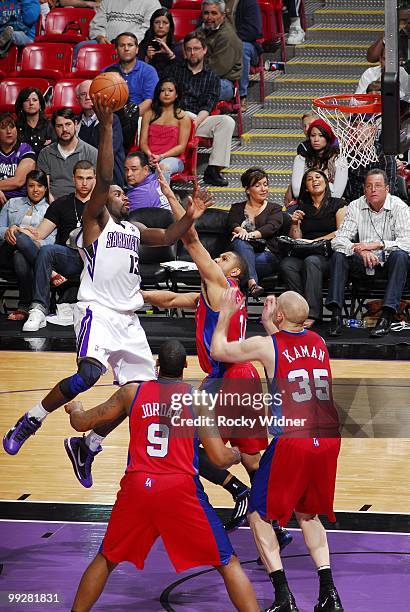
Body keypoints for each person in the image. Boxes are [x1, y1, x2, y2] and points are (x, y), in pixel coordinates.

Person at [3, 96, 213, 495]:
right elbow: (101, 178)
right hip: (98, 312)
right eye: (117, 192)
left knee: (138, 395)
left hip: (129, 321)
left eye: (122, 193)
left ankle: (88, 445)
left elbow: (170, 236)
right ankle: (31, 419)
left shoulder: (134, 230)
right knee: (89, 375)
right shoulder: (95, 224)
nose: (123, 195)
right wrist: (106, 127)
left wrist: (191, 216)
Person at [142, 170, 291, 545]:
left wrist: (178, 202)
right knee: (252, 457)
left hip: (226, 379)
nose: (217, 257)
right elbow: (173, 299)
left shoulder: (222, 285)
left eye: (223, 257)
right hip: (239, 377)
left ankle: (231, 492)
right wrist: (135, 295)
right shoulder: (218, 297)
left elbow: (190, 241)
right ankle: (272, 520)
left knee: (185, 441)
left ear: (235, 272)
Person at [65, 339, 259, 612]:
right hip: (180, 490)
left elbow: (80, 423)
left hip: (138, 487)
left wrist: (75, 408)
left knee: (106, 558)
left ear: (156, 365)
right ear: (185, 365)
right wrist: (240, 454)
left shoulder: (131, 393)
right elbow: (218, 458)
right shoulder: (196, 399)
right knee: (227, 562)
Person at [210, 289, 343, 612]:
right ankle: (329, 594)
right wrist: (275, 322)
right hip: (328, 438)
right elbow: (288, 347)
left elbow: (219, 350)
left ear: (280, 316)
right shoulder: (319, 343)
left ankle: (284, 597)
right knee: (308, 513)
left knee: (258, 513)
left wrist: (226, 312)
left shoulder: (266, 345)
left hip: (294, 439)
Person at [6, 161, 97, 331]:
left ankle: (45, 286)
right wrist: (17, 229)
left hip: (95, 258)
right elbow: (39, 234)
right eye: (80, 178)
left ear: (95, 179)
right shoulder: (61, 204)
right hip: (68, 257)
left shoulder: (102, 205)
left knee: (43, 252)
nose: (84, 183)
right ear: (73, 179)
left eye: (89, 178)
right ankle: (39, 309)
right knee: (41, 247)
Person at [326, 169, 410, 338]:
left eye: (378, 186)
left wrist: (377, 245)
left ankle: (386, 316)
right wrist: (359, 249)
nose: (373, 190)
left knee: (400, 255)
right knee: (339, 255)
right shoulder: (355, 205)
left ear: (387, 189)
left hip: (388, 266)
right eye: (369, 186)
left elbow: (407, 242)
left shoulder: (399, 207)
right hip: (362, 265)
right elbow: (338, 240)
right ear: (364, 189)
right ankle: (335, 315)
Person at [167, 31, 236, 187]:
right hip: (175, 118)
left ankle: (213, 170)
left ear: (204, 50)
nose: (192, 52)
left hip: (197, 120)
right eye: (189, 49)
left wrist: (195, 122)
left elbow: (209, 105)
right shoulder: (174, 70)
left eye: (196, 48)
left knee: (226, 121)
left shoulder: (211, 76)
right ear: (184, 51)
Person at [280, 169, 347, 327]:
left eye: (318, 177)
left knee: (312, 261)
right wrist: (295, 223)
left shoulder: (338, 203)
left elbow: (341, 232)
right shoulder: (301, 207)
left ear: (326, 182)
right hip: (305, 252)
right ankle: (297, 311)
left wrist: (315, 241)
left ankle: (313, 314)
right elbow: (296, 238)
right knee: (287, 265)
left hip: (328, 254)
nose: (314, 180)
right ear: (305, 187)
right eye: (309, 179)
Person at [0, 170, 55, 321]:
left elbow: (50, 241)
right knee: (17, 235)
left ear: (45, 188)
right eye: (31, 185)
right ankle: (50, 274)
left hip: (29, 258)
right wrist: (11, 231)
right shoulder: (13, 203)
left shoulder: (51, 210)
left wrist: (29, 239)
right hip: (5, 255)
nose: (35, 190)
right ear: (26, 187)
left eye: (40, 186)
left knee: (20, 256)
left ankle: (24, 306)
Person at [227, 167, 283, 298]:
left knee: (234, 267)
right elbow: (232, 224)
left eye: (265, 184)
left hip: (267, 255)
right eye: (258, 185)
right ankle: (252, 283)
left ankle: (234, 308)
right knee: (240, 242)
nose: (264, 189)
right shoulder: (237, 208)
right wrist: (240, 230)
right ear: (247, 189)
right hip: (242, 253)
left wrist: (249, 235)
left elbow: (272, 227)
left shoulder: (274, 208)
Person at [37, 109, 98, 202]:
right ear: (54, 128)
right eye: (59, 126)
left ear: (76, 124)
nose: (64, 129)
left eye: (68, 124)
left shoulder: (91, 152)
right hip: (51, 205)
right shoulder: (45, 153)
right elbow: (45, 187)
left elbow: (95, 185)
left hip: (82, 204)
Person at [139, 77, 191, 183]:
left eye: (170, 90)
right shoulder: (148, 114)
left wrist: (161, 156)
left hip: (173, 159)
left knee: (163, 167)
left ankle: (163, 198)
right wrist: (150, 155)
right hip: (149, 156)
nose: (166, 93)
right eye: (162, 90)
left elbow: (181, 147)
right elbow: (143, 142)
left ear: (176, 95)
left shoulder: (183, 117)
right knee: (133, 165)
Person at [76, 79, 125, 187]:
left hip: (109, 176)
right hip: (82, 175)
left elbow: (111, 149)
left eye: (91, 94)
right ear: (77, 99)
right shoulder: (74, 122)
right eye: (83, 94)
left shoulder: (112, 119)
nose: (88, 97)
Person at [291, 118, 348, 200]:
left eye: (321, 135)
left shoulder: (339, 159)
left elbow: (337, 194)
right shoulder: (301, 158)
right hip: (306, 203)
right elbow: (297, 192)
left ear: (327, 137)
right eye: (313, 135)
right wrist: (329, 186)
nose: (316, 139)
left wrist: (309, 186)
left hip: (332, 205)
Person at [103, 32, 159, 114]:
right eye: (122, 45)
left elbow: (150, 100)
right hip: (113, 117)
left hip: (140, 117)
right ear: (116, 50)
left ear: (137, 49)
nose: (126, 49)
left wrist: (131, 116)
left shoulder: (149, 71)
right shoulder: (106, 72)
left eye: (130, 45)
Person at [200, 0, 243, 102]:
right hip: (202, 76)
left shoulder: (227, 36)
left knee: (196, 91)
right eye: (206, 13)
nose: (209, 17)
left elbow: (217, 69)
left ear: (223, 15)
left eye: (214, 13)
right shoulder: (202, 30)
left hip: (224, 82)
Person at [225, 0, 263, 111]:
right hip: (222, 45)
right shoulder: (214, 3)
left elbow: (253, 31)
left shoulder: (248, 2)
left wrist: (230, 41)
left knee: (242, 48)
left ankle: (242, 96)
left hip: (248, 45)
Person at [88, 0, 161, 48]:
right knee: (82, 46)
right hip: (106, 44)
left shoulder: (152, 3)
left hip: (135, 45)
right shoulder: (107, 1)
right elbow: (97, 24)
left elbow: (148, 30)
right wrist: (100, 37)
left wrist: (127, 42)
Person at [0, 113, 36, 205]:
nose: (9, 131)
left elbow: (18, 181)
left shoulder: (25, 149)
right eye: (3, 128)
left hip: (19, 203)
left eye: (12, 127)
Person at [138, 8, 179, 79]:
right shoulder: (144, 45)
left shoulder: (177, 47)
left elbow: (180, 73)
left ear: (170, 26)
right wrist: (147, 59)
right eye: (157, 22)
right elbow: (137, 72)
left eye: (165, 23)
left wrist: (170, 54)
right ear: (152, 25)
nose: (160, 26)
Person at [15, 88, 55, 158]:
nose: (31, 103)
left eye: (35, 100)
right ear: (21, 105)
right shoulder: (15, 127)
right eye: (27, 100)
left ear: (40, 104)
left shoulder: (50, 125)